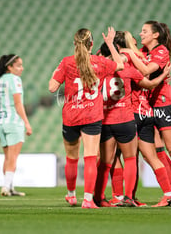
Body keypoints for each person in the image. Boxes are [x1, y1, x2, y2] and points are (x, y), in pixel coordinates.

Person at [49, 27, 124, 209]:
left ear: (75, 44)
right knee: (91, 157)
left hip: (71, 116)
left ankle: (71, 195)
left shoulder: (67, 62)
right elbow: (120, 65)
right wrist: (110, 44)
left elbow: (52, 87)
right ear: (91, 45)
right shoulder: (100, 62)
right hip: (92, 115)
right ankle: (88, 200)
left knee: (71, 158)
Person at [93, 39, 171, 207]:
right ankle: (129, 197)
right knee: (130, 159)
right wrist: (164, 75)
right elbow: (148, 84)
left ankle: (100, 197)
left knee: (107, 161)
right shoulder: (127, 70)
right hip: (127, 119)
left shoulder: (98, 71)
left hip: (106, 120)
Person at [124, 21, 171, 206]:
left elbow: (146, 70)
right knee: (157, 152)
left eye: (144, 31)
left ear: (155, 35)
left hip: (164, 103)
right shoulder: (144, 53)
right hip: (148, 105)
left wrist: (130, 53)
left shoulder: (161, 51)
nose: (141, 34)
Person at [0, 54, 32, 197]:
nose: (22, 68)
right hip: (14, 122)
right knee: (13, 158)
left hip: (1, 122)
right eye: (19, 65)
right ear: (9, 67)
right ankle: (6, 186)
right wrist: (26, 122)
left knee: (7, 157)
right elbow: (18, 103)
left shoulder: (0, 81)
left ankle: (9, 186)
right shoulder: (15, 80)